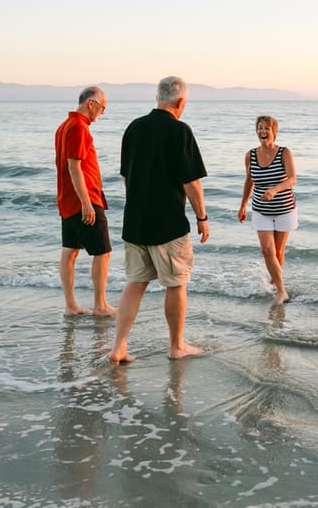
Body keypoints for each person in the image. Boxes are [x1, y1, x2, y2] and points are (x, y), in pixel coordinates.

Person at [108, 76, 209, 362]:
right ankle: (176, 346)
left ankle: (118, 348)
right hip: (169, 224)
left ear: (157, 97)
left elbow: (127, 177)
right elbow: (191, 182)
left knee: (136, 283)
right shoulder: (180, 130)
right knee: (176, 283)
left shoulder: (134, 128)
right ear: (180, 102)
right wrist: (202, 216)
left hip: (135, 222)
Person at [55, 86, 116, 317]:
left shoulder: (63, 126)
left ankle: (71, 305)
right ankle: (100, 305)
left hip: (67, 202)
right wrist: (87, 203)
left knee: (69, 251)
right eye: (102, 108)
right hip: (84, 200)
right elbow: (74, 166)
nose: (102, 113)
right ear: (91, 103)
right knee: (103, 252)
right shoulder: (79, 127)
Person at [238, 115, 297, 305]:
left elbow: (292, 179)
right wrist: (243, 205)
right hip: (261, 210)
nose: (263, 132)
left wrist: (274, 190)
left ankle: (274, 281)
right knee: (267, 250)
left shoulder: (284, 152)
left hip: (284, 208)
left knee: (278, 251)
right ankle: (282, 291)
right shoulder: (250, 155)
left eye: (267, 128)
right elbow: (249, 181)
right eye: (260, 128)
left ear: (274, 132)